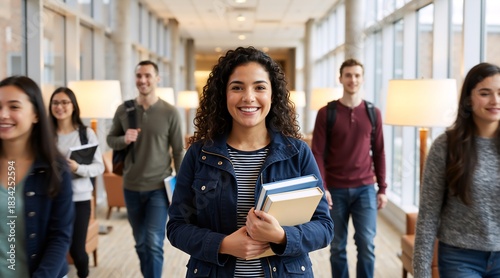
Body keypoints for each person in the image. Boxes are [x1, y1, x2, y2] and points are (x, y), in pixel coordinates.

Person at [167, 46, 334, 278]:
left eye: (259, 87)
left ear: (272, 95)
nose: (248, 97)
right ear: (223, 95)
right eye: (237, 87)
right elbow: (177, 227)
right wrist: (223, 244)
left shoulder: (298, 153)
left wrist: (282, 236)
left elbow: (324, 227)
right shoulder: (199, 154)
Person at [413, 62, 500, 278]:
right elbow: (428, 215)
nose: (495, 100)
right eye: (485, 93)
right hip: (460, 258)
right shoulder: (446, 146)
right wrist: (422, 272)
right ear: (469, 100)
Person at [107, 60, 184, 278]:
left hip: (158, 187)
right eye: (139, 76)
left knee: (153, 243)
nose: (143, 80)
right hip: (130, 186)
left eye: (148, 75)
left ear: (157, 79)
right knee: (140, 243)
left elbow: (178, 151)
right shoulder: (124, 110)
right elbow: (111, 140)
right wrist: (124, 139)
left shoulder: (170, 113)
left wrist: (181, 187)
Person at [311, 58, 387, 278]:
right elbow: (317, 154)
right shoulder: (327, 113)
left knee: (366, 245)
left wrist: (382, 188)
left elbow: (380, 151)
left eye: (356, 75)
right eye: (348, 75)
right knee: (337, 246)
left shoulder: (374, 113)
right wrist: (322, 187)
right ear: (340, 78)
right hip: (335, 191)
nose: (352, 79)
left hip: (365, 189)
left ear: (362, 79)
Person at [0, 76, 74, 277]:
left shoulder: (55, 170)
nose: (3, 114)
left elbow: (59, 237)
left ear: (35, 114)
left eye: (14, 107)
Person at [49, 87, 104, 278]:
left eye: (65, 102)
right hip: (52, 198)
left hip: (79, 199)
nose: (60, 107)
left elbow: (99, 167)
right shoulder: (46, 135)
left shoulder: (85, 133)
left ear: (73, 106)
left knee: (77, 251)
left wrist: (76, 168)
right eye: (55, 102)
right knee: (53, 247)